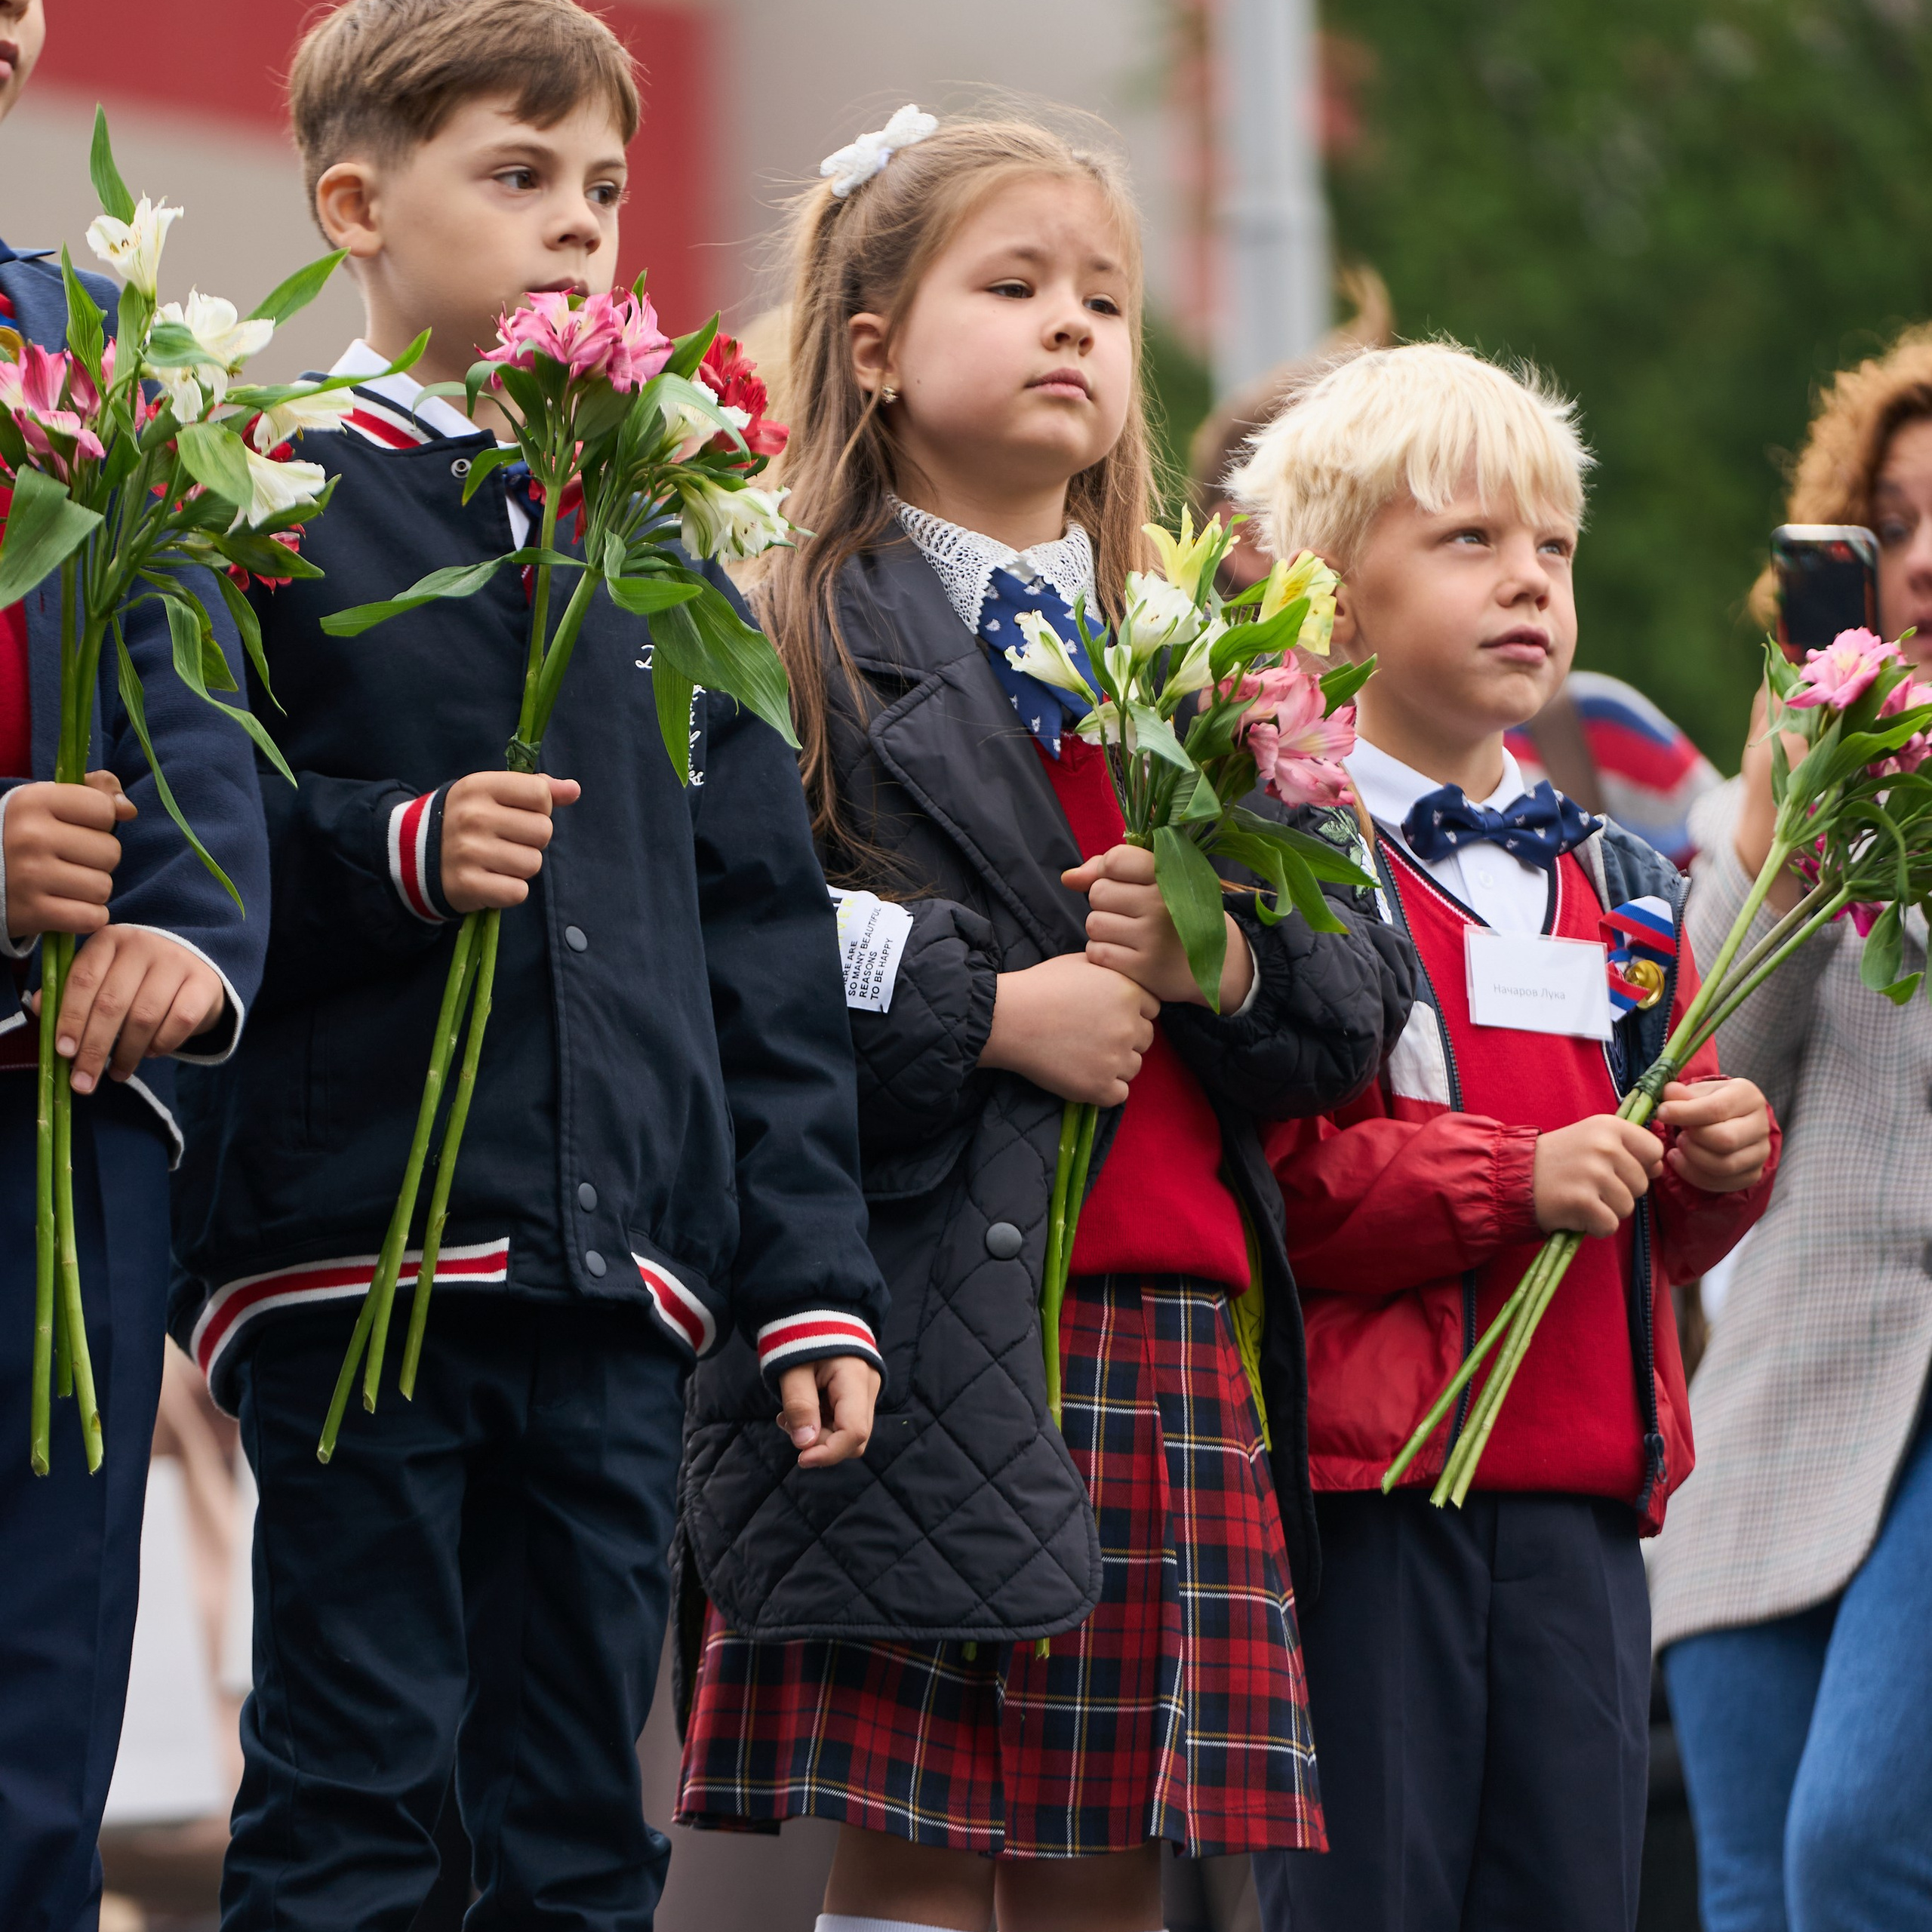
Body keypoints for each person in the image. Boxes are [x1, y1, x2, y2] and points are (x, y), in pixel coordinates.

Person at [165, 4, 888, 1927]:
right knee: (354, 1780)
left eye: (599, 187)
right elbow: (196, 832)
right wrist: (392, 849)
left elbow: (764, 936)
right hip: (359, 1251)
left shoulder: (653, 534)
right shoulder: (254, 492)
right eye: (515, 174)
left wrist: (809, 1282)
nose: (576, 223)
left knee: (583, 1810)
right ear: (353, 207)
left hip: (612, 1278)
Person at [671, 107, 1412, 1932]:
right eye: (1013, 286)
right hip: (921, 1299)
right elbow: (710, 923)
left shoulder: (1203, 646)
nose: (1073, 324)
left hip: (1167, 1317)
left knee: (1106, 1859)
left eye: (1102, 293)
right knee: (911, 1842)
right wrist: (981, 1003)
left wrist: (1210, 960)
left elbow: (1357, 993)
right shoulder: (788, 619)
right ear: (872, 346)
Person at [1229, 341, 1780, 1932]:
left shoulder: (1618, 878)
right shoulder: (1292, 854)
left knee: (1570, 1890)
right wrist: (1512, 1177)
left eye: (1549, 547)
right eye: (1466, 541)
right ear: (1332, 590)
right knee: (1368, 1894)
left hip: (1580, 1496)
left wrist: (1707, 1170)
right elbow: (1281, 1187)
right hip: (1375, 1488)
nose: (1524, 580)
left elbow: (1646, 1226)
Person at [0, 0, 271, 1923]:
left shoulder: (99, 353)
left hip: (60, 1127)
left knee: (39, 1697)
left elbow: (193, 690)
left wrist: (186, 925)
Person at [1649, 323, 1932, 1932]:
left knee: (1856, 1850)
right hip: (1791, 1390)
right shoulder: (1791, 774)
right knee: (1751, 1888)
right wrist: (1777, 851)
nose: (1918, 555)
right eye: (1885, 521)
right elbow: (1710, 1095)